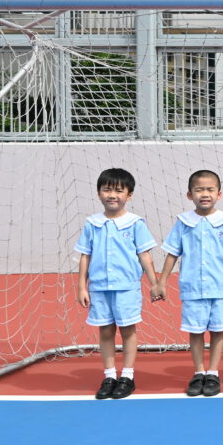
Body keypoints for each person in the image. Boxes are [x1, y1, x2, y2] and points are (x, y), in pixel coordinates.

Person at [152, 170, 223, 397]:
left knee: (217, 330)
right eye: (199, 190)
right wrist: (161, 282)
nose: (205, 194)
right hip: (192, 288)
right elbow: (172, 254)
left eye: (210, 190)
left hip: (219, 287)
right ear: (189, 194)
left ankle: (213, 373)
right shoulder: (183, 223)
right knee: (195, 331)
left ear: (219, 194)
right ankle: (199, 372)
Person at [75, 168, 159, 400]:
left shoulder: (135, 223)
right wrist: (82, 286)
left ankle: (127, 377)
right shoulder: (92, 223)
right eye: (107, 190)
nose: (112, 195)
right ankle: (110, 376)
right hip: (99, 288)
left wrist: (155, 283)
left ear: (129, 195)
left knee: (128, 330)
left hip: (127, 288)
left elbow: (145, 255)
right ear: (98, 193)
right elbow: (85, 256)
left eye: (119, 191)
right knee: (105, 331)